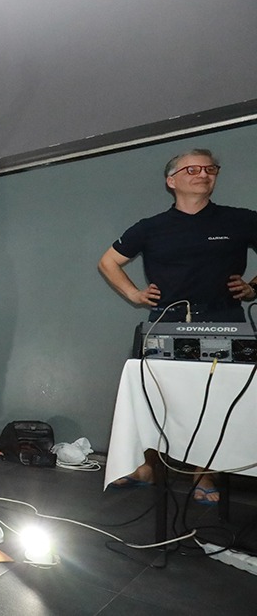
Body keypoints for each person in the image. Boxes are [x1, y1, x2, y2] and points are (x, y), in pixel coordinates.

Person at [98, 148, 257, 504]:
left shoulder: (240, 220)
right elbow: (108, 262)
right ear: (171, 181)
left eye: (210, 169)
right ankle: (146, 467)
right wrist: (135, 294)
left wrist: (253, 288)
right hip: (166, 322)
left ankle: (205, 475)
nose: (203, 174)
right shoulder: (151, 227)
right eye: (192, 169)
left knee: (217, 400)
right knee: (154, 397)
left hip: (224, 320)